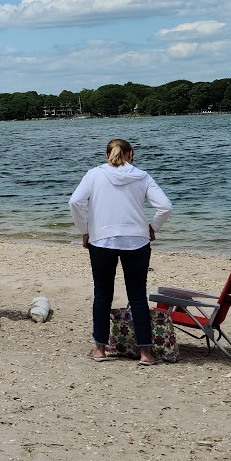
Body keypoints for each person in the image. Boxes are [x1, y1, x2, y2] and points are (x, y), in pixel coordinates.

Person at [69, 139, 172, 366]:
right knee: (137, 296)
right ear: (131, 154)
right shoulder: (142, 176)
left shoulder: (94, 174)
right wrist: (152, 227)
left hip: (101, 240)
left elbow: (75, 202)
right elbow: (165, 206)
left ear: (107, 155)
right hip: (137, 240)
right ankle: (146, 353)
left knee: (102, 294)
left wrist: (85, 230)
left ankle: (100, 350)